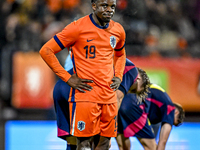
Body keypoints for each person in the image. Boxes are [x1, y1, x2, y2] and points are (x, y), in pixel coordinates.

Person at [39, 0, 126, 149]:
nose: (109, 10)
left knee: (105, 144)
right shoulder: (77, 28)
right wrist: (67, 78)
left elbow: (120, 54)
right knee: (84, 144)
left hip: (109, 96)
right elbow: (46, 51)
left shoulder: (118, 30)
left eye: (112, 6)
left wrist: (118, 76)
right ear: (94, 6)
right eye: (104, 6)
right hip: (86, 95)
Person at [53, 55, 150, 150]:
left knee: (73, 141)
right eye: (133, 90)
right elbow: (117, 98)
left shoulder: (113, 60)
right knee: (94, 144)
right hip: (79, 91)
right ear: (138, 79)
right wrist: (108, 133)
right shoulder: (131, 71)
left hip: (61, 87)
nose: (128, 92)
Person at [116, 83, 185, 150]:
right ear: (176, 112)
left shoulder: (160, 100)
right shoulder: (171, 109)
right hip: (135, 105)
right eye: (171, 122)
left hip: (119, 101)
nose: (169, 123)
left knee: (123, 147)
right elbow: (162, 143)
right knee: (152, 148)